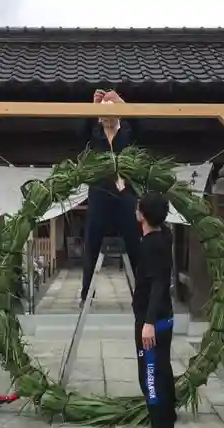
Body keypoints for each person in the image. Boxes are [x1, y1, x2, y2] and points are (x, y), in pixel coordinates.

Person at [128, 191, 179, 428]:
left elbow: (159, 284)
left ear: (143, 215)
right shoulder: (164, 235)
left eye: (138, 208)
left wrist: (147, 323)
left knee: (150, 378)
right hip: (164, 319)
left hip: (153, 322)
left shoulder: (151, 245)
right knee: (163, 372)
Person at [80, 89, 141, 307]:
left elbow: (141, 127)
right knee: (92, 243)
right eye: (102, 115)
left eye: (110, 114)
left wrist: (122, 102)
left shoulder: (128, 131)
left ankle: (141, 293)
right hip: (99, 193)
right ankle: (86, 293)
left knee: (135, 242)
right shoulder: (94, 132)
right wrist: (92, 106)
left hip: (126, 194)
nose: (106, 119)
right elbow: (81, 133)